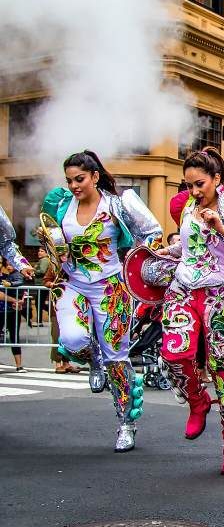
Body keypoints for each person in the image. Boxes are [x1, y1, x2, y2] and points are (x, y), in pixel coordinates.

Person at [42, 151, 162, 452]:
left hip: (111, 289)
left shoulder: (118, 203)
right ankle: (93, 356)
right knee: (71, 340)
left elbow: (152, 232)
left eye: (79, 179)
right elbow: (51, 240)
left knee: (117, 359)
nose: (73, 186)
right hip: (74, 285)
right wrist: (55, 255)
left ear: (95, 177)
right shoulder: (60, 206)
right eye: (69, 180)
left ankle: (125, 424)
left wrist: (135, 266)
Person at [157, 146, 224, 475]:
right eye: (189, 185)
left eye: (200, 184)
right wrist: (164, 252)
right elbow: (188, 246)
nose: (194, 191)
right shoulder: (189, 206)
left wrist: (221, 226)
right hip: (184, 289)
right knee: (173, 353)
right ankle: (197, 400)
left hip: (222, 294)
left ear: (217, 179)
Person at [0, 258, 26, 371]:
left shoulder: (9, 277)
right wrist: (14, 300)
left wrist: (21, 300)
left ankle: (19, 365)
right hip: (2, 310)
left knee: (15, 336)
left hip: (12, 310)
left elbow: (22, 288)